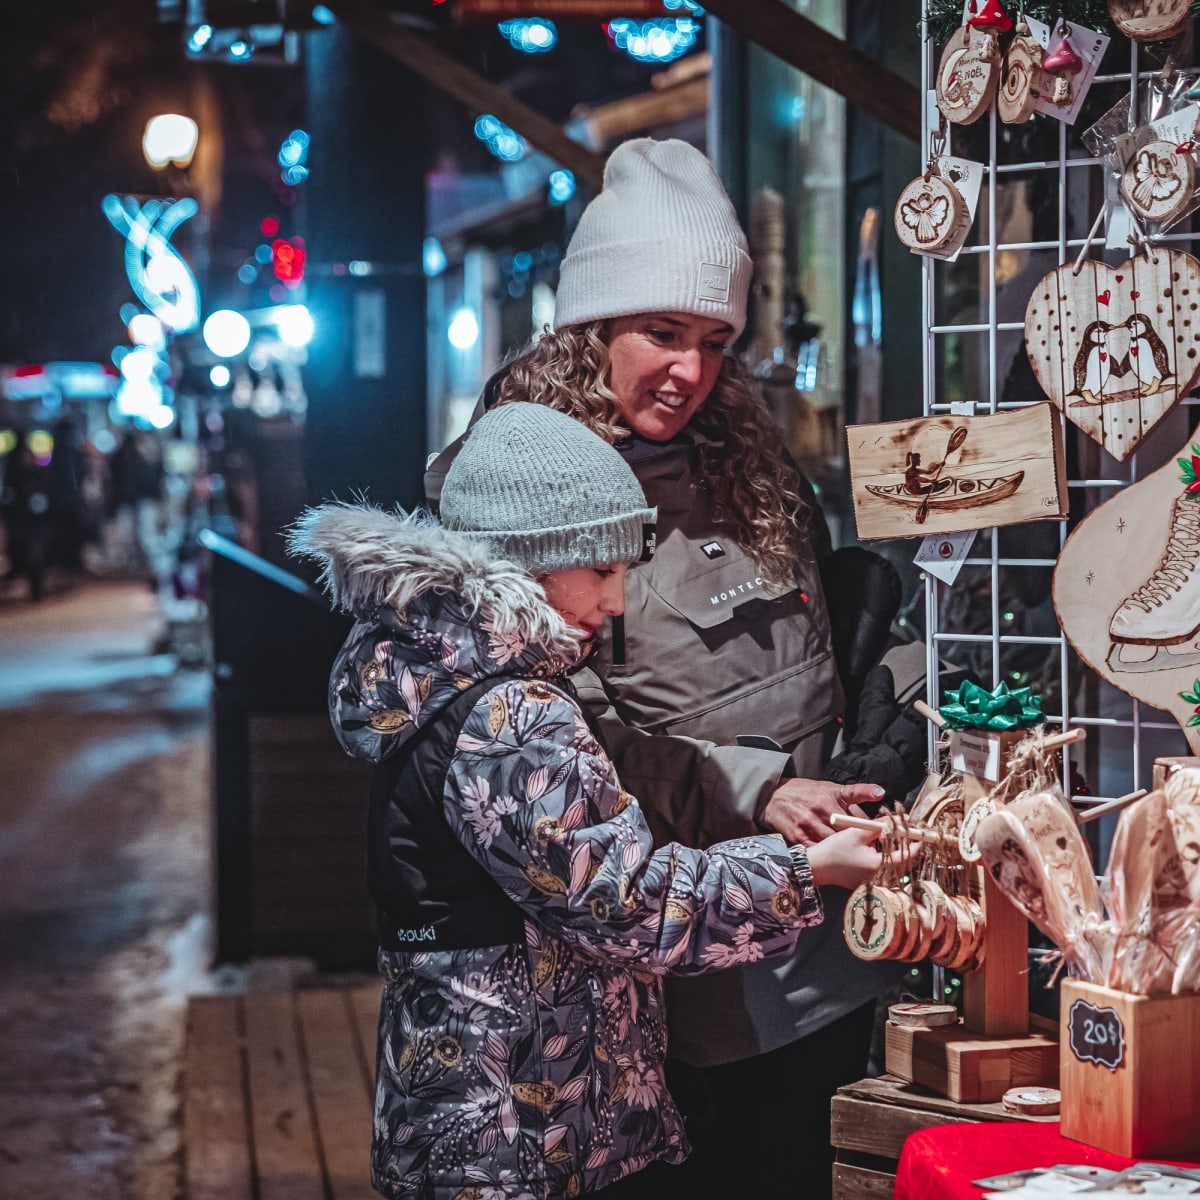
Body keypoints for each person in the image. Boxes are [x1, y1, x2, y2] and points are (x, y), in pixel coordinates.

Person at [425, 139, 927, 1200]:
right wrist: (760, 788)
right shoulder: (531, 487)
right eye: (661, 331)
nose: (690, 371)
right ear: (591, 326)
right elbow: (555, 732)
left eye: (712, 340)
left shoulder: (755, 464)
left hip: (833, 937)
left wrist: (889, 692)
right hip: (677, 968)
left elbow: (816, 654)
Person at [288, 402, 900, 1200]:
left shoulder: (425, 674)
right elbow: (628, 907)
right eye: (604, 571)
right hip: (527, 1130)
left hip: (466, 1110)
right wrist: (807, 868)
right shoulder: (513, 715)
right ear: (529, 566)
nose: (616, 603)